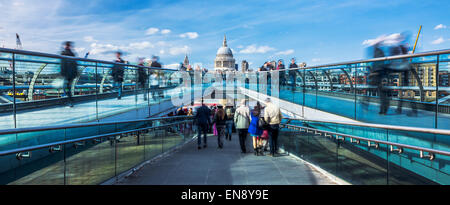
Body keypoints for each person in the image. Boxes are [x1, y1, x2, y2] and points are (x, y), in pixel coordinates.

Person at [60, 41, 78, 107]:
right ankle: (70, 100)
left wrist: (62, 72)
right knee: (67, 87)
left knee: (66, 87)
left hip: (67, 74)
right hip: (71, 74)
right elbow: (75, 64)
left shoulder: (64, 53)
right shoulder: (72, 53)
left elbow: (63, 64)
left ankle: (70, 101)